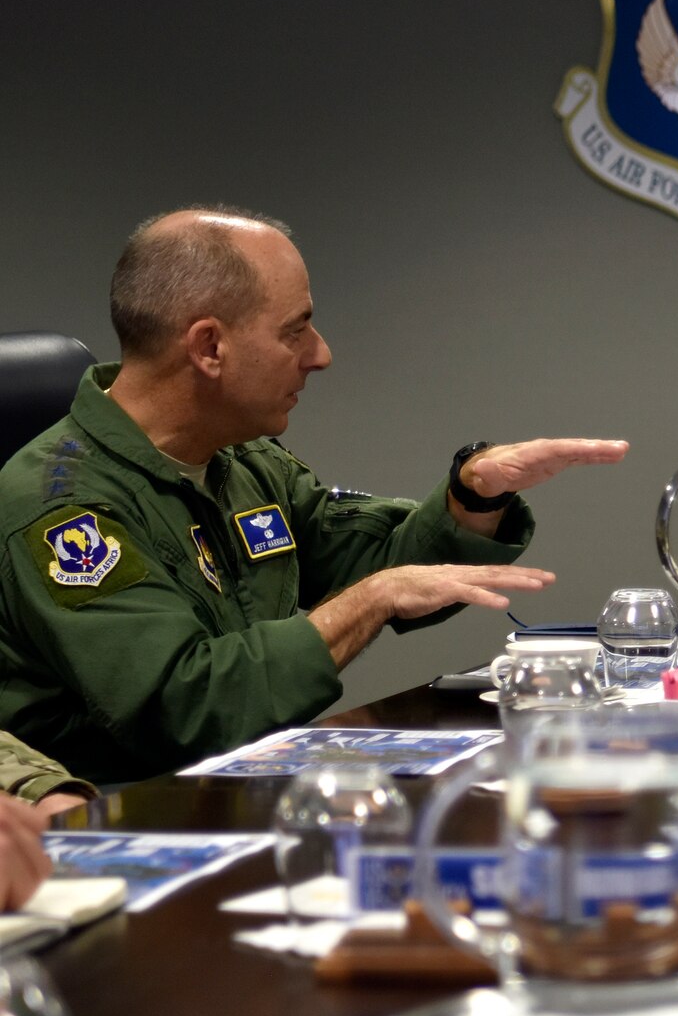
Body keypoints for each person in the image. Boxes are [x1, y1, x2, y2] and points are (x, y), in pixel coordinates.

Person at [0, 206, 628, 784]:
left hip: (245, 789)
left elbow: (372, 561)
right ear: (209, 347)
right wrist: (374, 599)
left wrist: (474, 496)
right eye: (295, 330)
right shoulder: (66, 513)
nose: (320, 354)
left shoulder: (238, 457)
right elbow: (185, 709)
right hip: (118, 826)